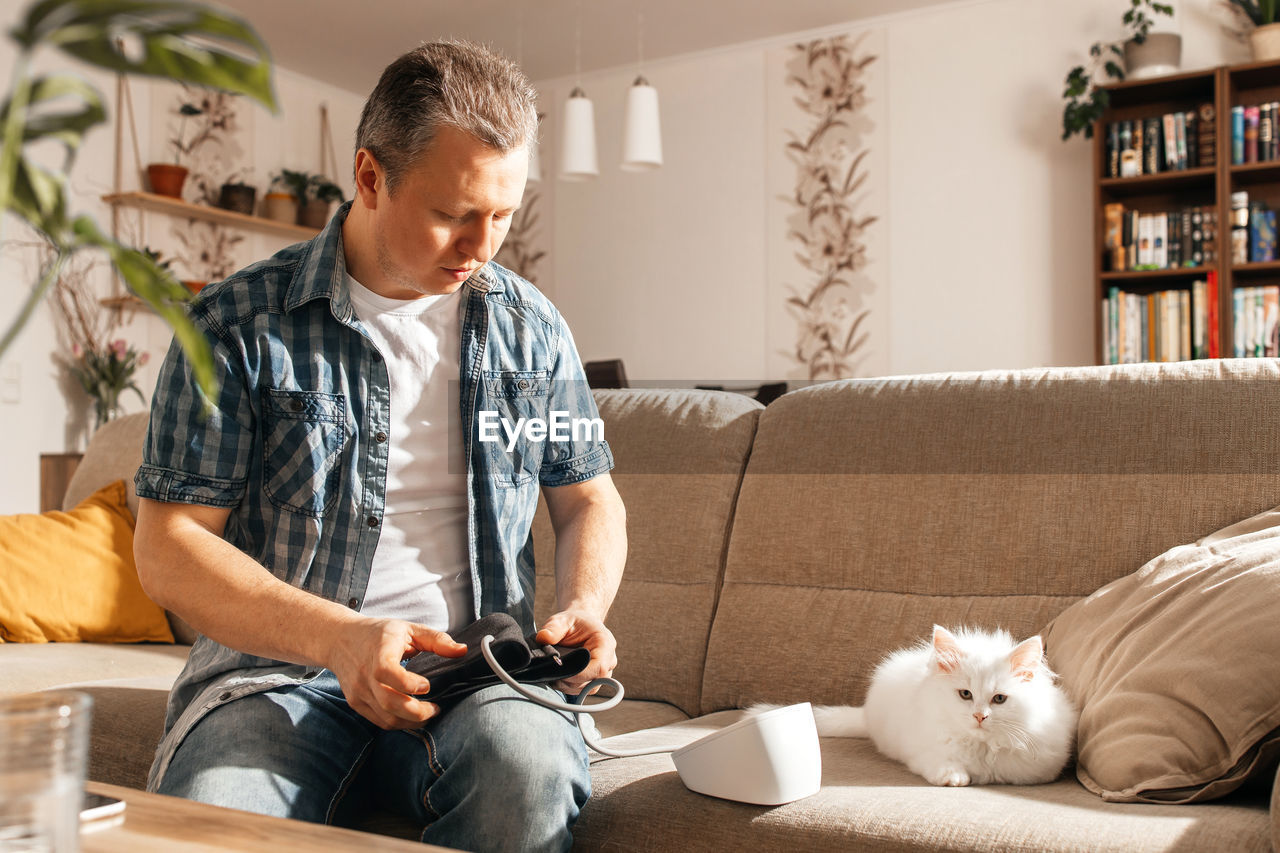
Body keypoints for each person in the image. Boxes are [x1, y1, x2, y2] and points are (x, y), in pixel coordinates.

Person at [132, 40, 626, 852]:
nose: (482, 246)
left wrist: (581, 609)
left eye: (502, 214)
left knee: (524, 777)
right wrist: (338, 638)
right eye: (452, 213)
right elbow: (170, 545)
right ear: (369, 176)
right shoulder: (234, 326)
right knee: (212, 823)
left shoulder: (531, 331)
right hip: (278, 677)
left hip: (483, 675)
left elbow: (586, 499)